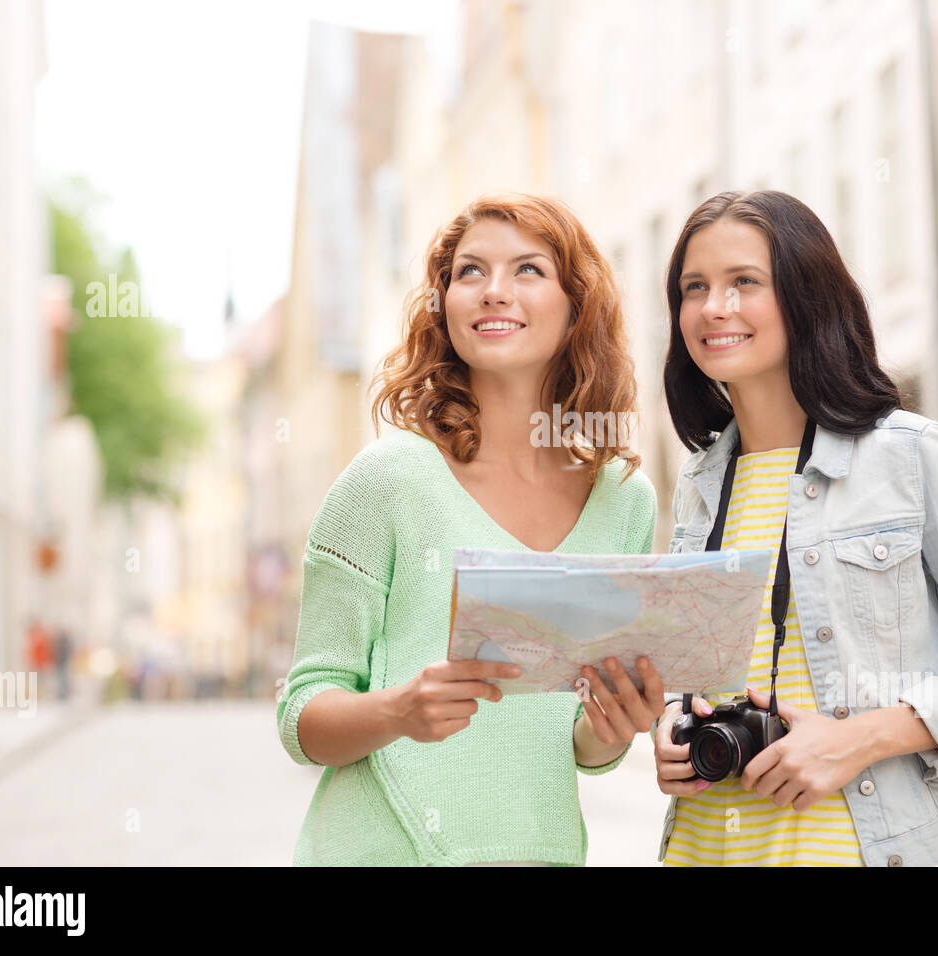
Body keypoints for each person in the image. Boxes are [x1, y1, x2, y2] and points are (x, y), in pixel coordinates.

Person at [650, 190, 938, 866]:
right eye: (693, 288)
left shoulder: (907, 454)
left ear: (804, 295)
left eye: (743, 283)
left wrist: (862, 738)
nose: (712, 308)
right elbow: (693, 678)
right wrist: (671, 726)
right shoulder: (700, 483)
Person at [276, 192, 667, 866]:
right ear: (444, 305)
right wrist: (398, 711)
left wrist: (614, 726)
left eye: (527, 271)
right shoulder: (388, 480)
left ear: (577, 304)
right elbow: (302, 715)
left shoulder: (624, 502)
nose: (493, 292)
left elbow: (577, 742)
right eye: (469, 273)